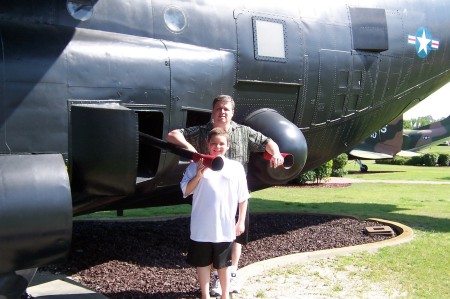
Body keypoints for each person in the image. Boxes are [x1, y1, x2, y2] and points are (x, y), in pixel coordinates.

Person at [167, 95, 285, 295]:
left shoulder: (243, 132)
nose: (222, 112)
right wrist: (191, 150)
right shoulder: (204, 131)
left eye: (226, 109)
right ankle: (214, 281)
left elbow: (267, 142)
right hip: (209, 192)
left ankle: (232, 275)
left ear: (232, 112)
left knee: (236, 237)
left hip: (235, 195)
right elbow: (172, 135)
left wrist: (275, 152)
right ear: (213, 112)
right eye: (218, 109)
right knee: (208, 239)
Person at [180, 128, 249, 299]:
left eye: (221, 144)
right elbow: (186, 191)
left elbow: (243, 197)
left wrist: (240, 221)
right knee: (202, 263)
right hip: (201, 227)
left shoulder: (236, 168)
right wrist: (198, 174)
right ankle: (205, 295)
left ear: (228, 146)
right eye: (214, 144)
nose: (217, 147)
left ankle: (225, 295)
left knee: (223, 265)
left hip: (224, 227)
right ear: (208, 145)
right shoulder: (195, 165)